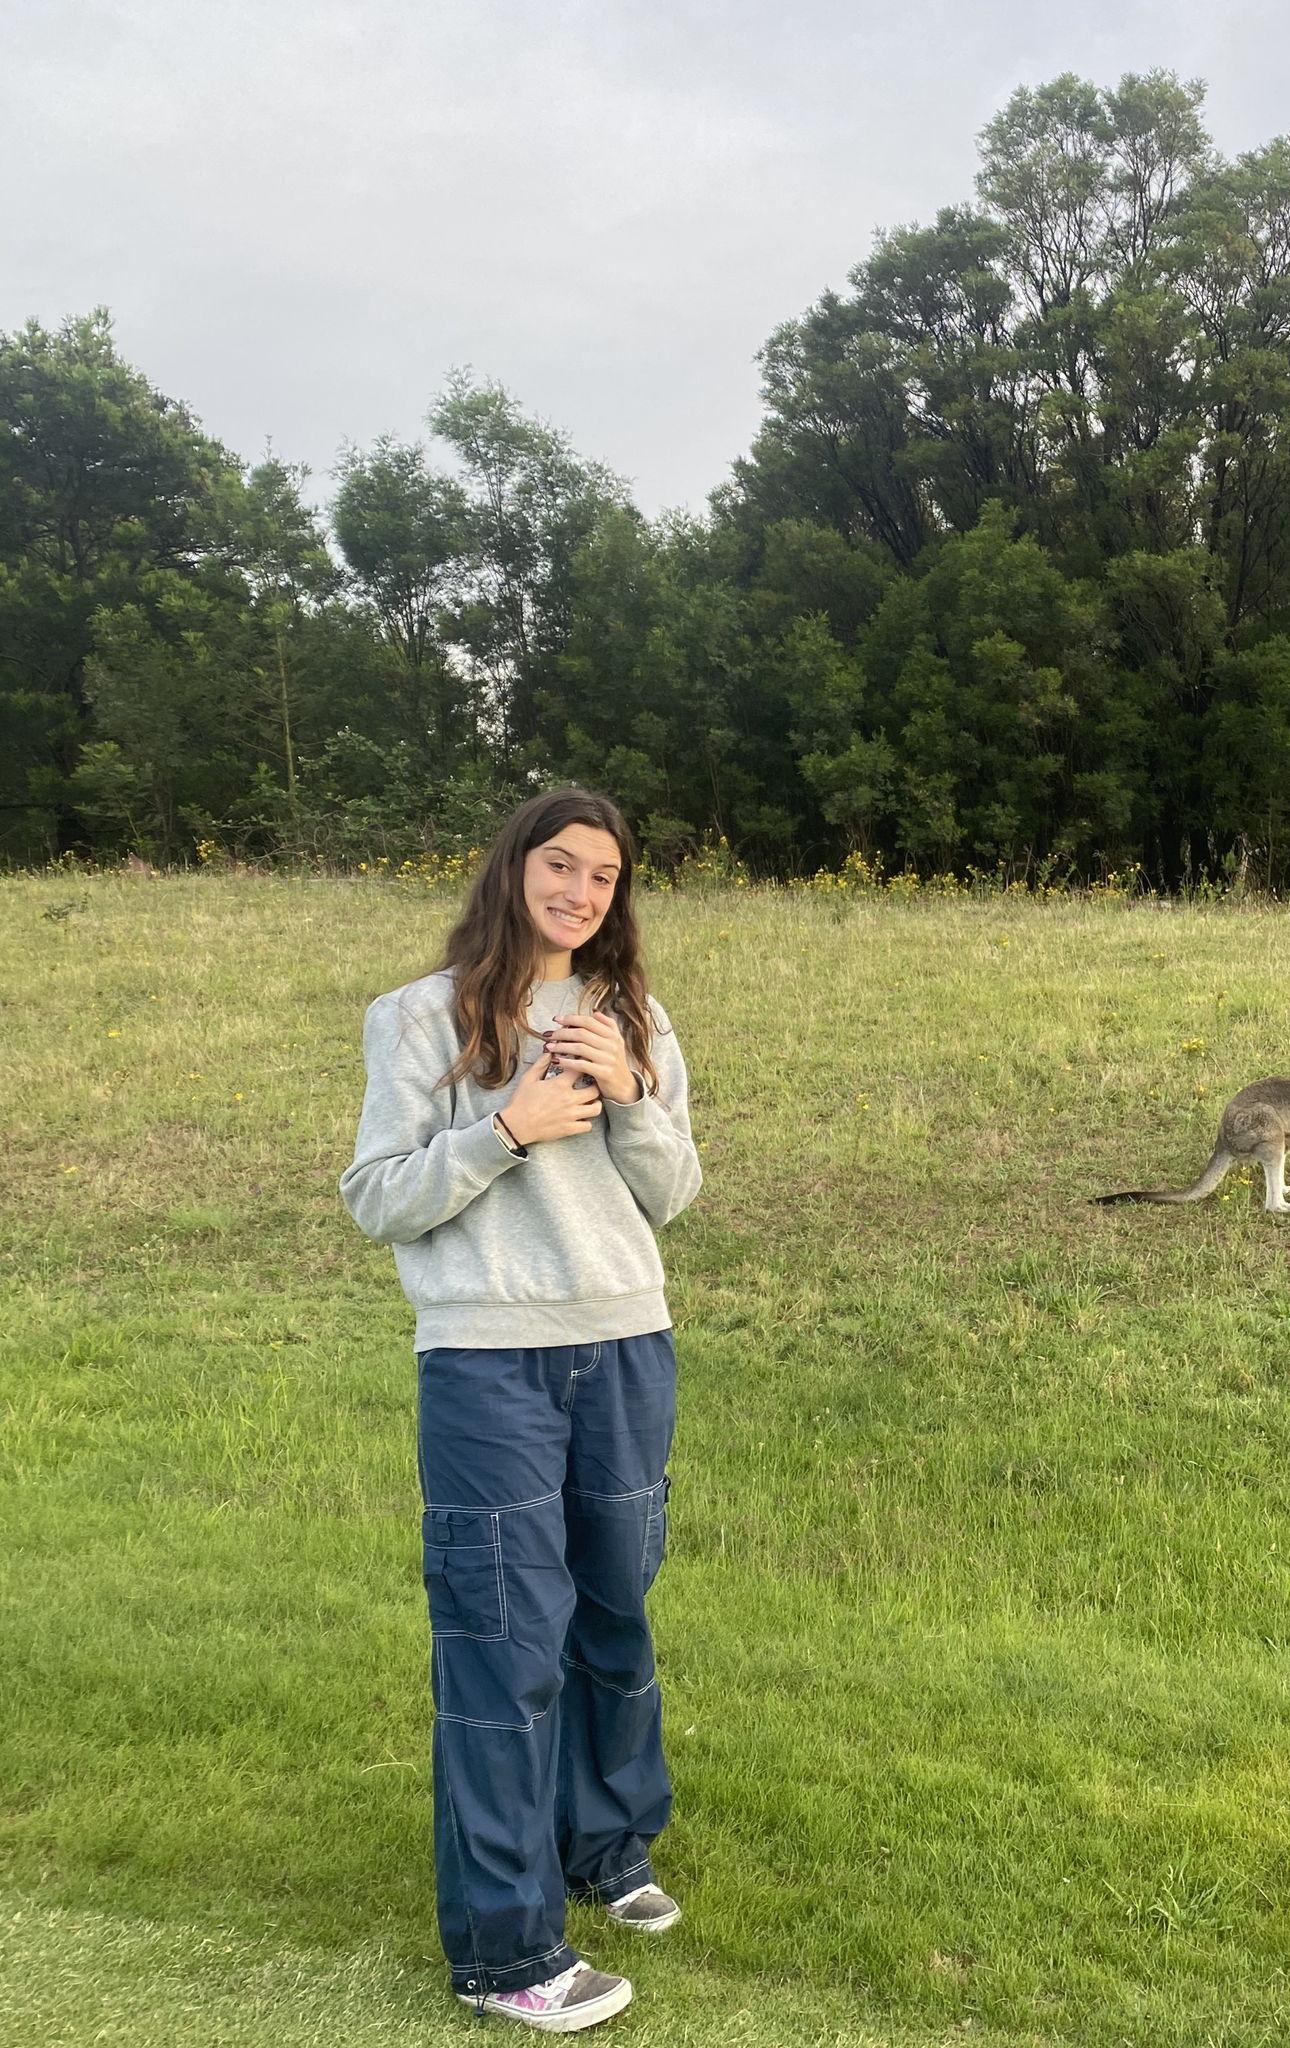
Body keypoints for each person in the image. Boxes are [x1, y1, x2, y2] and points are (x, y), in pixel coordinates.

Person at [341, 787, 703, 2031]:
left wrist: (632, 1093)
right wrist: (506, 1127)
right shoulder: (417, 1015)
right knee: (504, 1637)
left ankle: (603, 1843)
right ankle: (505, 1951)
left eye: (604, 875)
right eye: (560, 864)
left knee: (612, 1608)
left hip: (626, 1345)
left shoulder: (635, 1015)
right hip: (488, 1362)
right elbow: (378, 1195)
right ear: (513, 869)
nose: (582, 890)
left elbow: (672, 1193)